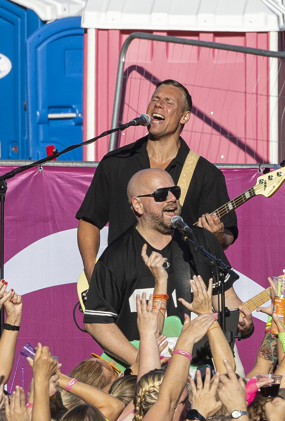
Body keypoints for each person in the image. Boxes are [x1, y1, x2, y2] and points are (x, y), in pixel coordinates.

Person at [80, 172, 244, 367]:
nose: (172, 198)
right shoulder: (115, 258)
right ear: (138, 205)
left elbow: (226, 299)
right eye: (161, 194)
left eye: (175, 192)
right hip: (148, 377)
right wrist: (140, 361)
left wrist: (242, 320)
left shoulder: (202, 242)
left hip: (202, 370)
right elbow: (97, 322)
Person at [75, 79, 236, 275]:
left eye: (169, 102)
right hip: (119, 286)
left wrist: (218, 236)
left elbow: (228, 233)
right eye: (155, 99)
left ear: (184, 117)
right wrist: (93, 274)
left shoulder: (205, 174)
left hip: (178, 288)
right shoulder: (116, 161)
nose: (158, 104)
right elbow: (90, 221)